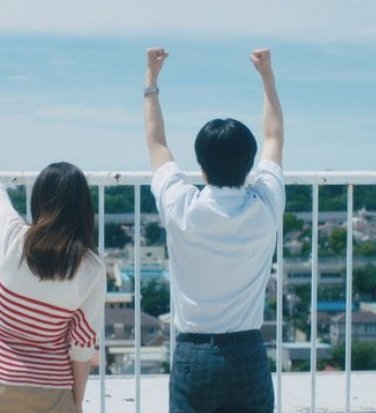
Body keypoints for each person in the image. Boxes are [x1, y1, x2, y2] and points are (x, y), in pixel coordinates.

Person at [144, 47, 285, 413]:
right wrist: (267, 77)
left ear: (202, 167)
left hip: (194, 354)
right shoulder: (265, 205)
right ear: (249, 164)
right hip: (247, 352)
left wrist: (151, 80)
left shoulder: (182, 206)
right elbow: (274, 138)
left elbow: (157, 144)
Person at [0, 118, 106, 413]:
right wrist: (76, 401)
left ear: (39, 199)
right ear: (83, 207)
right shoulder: (91, 268)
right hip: (51, 388)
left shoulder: (10, 234)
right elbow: (81, 346)